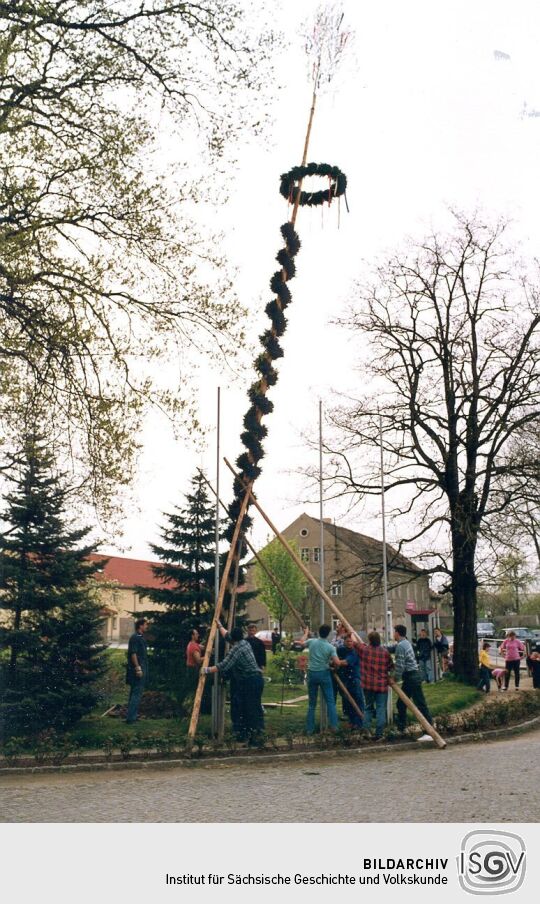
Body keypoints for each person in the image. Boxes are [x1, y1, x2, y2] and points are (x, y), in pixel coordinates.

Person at [207, 623, 264, 744]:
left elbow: (224, 665)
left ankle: (257, 739)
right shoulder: (244, 642)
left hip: (252, 681)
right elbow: (227, 635)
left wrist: (206, 670)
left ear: (234, 639)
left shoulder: (236, 649)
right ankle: (253, 737)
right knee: (253, 708)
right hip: (256, 679)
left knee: (252, 709)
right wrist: (219, 626)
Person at [391, 624, 433, 737]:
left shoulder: (401, 646)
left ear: (397, 633)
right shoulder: (405, 642)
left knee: (420, 704)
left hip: (411, 677)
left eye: (394, 632)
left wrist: (394, 679)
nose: (393, 634)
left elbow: (400, 666)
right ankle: (402, 728)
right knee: (401, 703)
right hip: (411, 677)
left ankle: (429, 731)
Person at [353, 630, 393, 741]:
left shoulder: (365, 650)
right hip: (381, 686)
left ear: (370, 640)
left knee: (368, 708)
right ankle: (379, 734)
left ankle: (366, 731)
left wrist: (352, 632)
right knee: (381, 709)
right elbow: (390, 666)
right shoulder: (385, 652)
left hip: (368, 685)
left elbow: (355, 644)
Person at [301, 623, 341, 734]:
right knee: (330, 702)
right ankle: (334, 726)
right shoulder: (330, 647)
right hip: (324, 673)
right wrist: (334, 668)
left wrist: (305, 633)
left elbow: (301, 643)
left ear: (318, 632)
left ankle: (309, 729)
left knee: (312, 704)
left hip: (312, 673)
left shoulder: (312, 642)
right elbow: (337, 662)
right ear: (328, 634)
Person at [335, 634, 365, 729]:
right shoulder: (341, 650)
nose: (349, 643)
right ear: (344, 642)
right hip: (346, 679)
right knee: (348, 702)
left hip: (355, 679)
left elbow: (345, 662)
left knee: (357, 700)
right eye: (347, 641)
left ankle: (359, 723)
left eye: (351, 641)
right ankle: (352, 722)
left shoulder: (354, 653)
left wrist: (335, 662)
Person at [125, 617, 149, 724]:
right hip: (137, 668)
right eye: (145, 624)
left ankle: (132, 716)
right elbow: (133, 653)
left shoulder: (140, 637)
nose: (147, 626)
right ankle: (131, 718)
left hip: (141, 666)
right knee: (136, 692)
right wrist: (137, 668)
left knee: (135, 692)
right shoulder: (135, 638)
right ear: (140, 626)